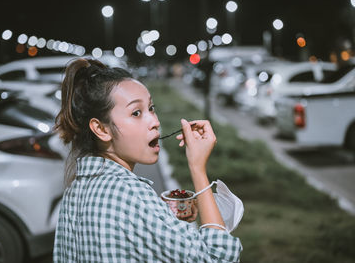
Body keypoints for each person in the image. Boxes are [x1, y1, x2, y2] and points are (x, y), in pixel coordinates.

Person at [53, 58, 242, 262]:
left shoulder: (74, 191)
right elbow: (217, 257)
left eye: (151, 108)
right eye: (136, 113)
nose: (155, 122)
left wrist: (163, 219)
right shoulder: (130, 195)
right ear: (101, 129)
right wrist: (198, 169)